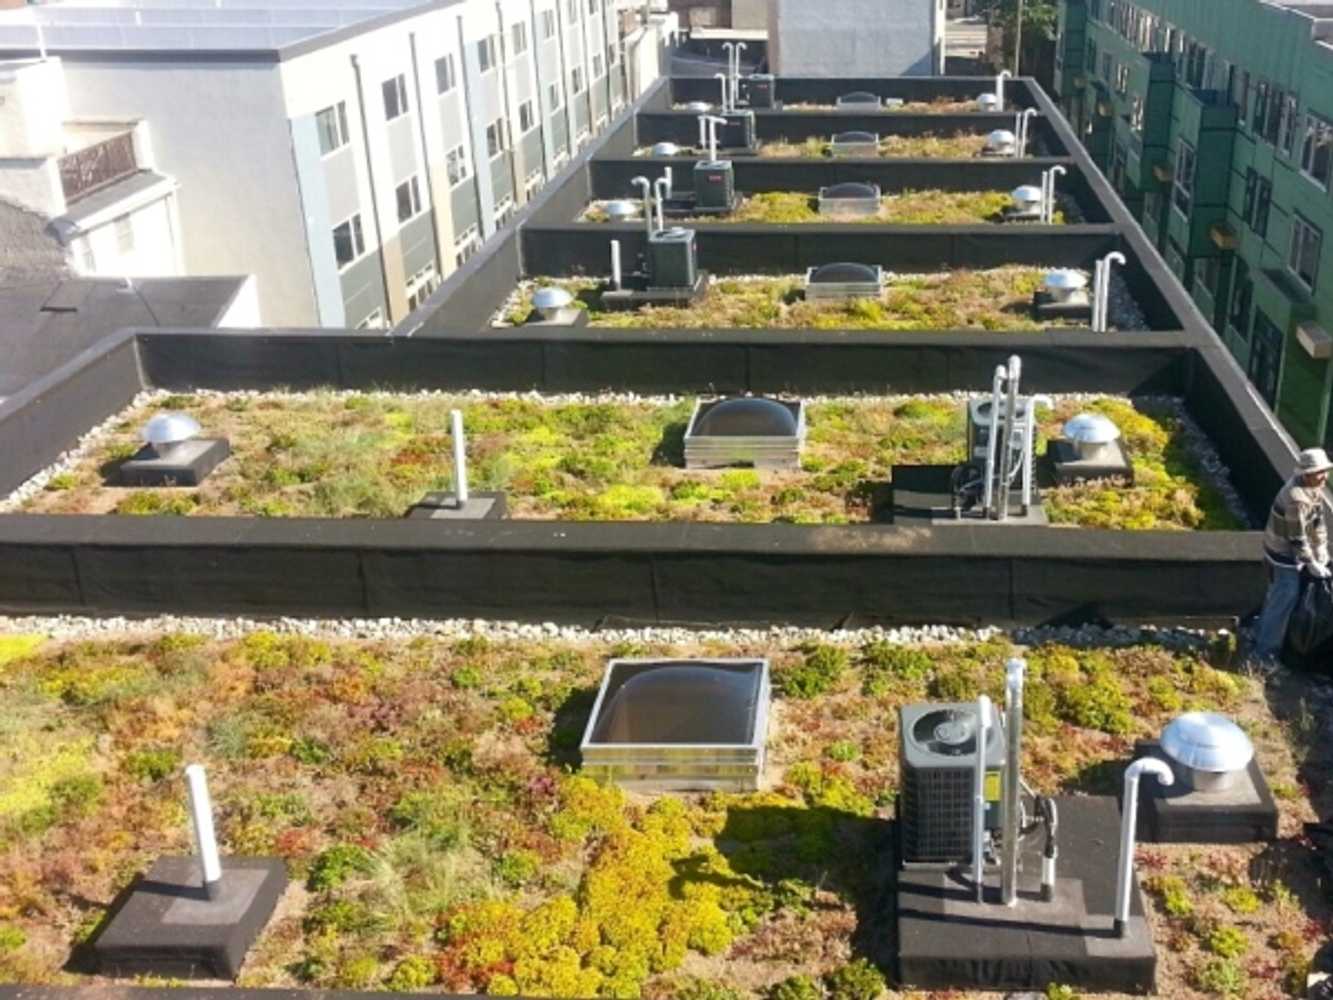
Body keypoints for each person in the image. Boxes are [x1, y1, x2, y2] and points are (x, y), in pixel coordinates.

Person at [1254, 447, 1333, 663]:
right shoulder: (1296, 499)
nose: (1324, 476)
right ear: (1306, 474)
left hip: (1290, 554)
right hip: (1282, 556)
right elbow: (1297, 538)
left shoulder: (1313, 489)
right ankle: (1264, 654)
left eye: (1325, 470)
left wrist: (1322, 548)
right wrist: (1311, 563)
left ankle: (1260, 635)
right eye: (1320, 472)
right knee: (1283, 600)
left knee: (1277, 597)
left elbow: (1318, 522)